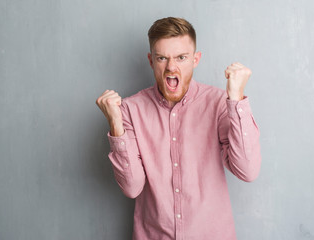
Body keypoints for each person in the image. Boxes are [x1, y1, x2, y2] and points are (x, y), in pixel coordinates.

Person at [96, 17, 261, 240]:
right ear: (151, 60)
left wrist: (237, 99)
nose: (171, 67)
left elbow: (247, 170)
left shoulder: (220, 103)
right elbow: (132, 187)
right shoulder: (130, 110)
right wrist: (115, 123)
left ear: (195, 59)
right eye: (162, 58)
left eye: (181, 58)